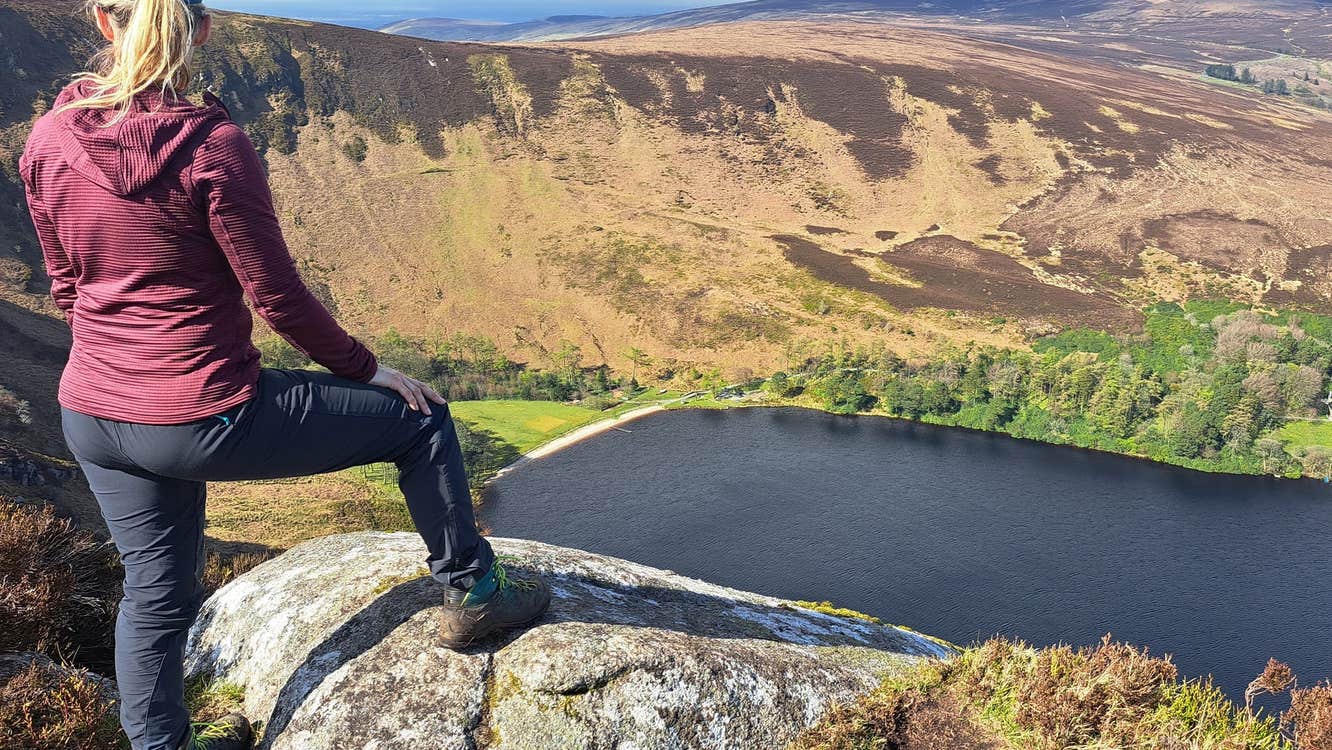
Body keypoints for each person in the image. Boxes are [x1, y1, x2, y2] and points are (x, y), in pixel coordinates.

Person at [19, 1, 552, 748]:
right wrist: (370, 371)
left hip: (93, 414)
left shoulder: (46, 138)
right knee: (423, 422)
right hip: (200, 413)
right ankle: (473, 592)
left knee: (156, 591)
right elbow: (276, 299)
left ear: (104, 22)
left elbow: (66, 284)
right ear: (201, 30)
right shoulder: (213, 146)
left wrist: (123, 368)